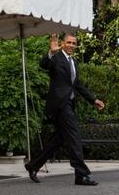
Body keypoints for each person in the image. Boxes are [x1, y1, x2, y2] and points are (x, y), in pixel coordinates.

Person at [24, 33, 105, 186]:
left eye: (74, 43)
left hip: (69, 104)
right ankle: (81, 175)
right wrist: (51, 52)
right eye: (69, 42)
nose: (71, 46)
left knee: (58, 140)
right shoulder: (56, 58)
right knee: (74, 136)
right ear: (62, 43)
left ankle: (33, 165)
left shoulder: (74, 61)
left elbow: (77, 85)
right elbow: (43, 65)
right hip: (60, 105)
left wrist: (94, 100)